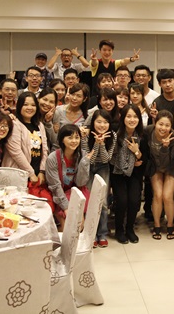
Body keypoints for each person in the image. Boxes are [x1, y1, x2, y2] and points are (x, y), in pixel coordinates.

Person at [110, 104, 148, 244]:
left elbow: (144, 159)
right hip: (117, 172)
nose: (132, 120)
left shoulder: (142, 135)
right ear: (123, 118)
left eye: (135, 117)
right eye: (129, 116)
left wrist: (136, 152)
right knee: (121, 200)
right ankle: (119, 230)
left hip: (135, 173)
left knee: (134, 201)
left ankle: (130, 229)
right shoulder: (115, 133)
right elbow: (110, 155)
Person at [45, 124, 90, 231]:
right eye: (70, 138)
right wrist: (66, 207)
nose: (74, 141)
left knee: (79, 226)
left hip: (75, 192)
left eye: (77, 137)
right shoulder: (53, 158)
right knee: (68, 226)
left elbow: (80, 183)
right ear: (62, 140)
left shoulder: (83, 155)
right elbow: (55, 186)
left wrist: (84, 163)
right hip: (58, 194)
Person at [83, 110, 116, 247]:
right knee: (90, 200)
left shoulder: (112, 135)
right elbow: (88, 160)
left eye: (105, 122)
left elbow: (106, 159)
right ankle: (91, 233)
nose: (102, 125)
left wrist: (101, 144)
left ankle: (102, 234)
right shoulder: (85, 134)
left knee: (102, 202)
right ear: (93, 122)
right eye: (99, 122)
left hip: (103, 167)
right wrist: (96, 143)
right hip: (88, 167)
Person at [145, 111, 174, 241]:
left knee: (167, 196)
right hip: (155, 167)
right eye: (161, 124)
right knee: (158, 195)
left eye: (167, 125)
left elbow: (168, 162)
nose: (163, 128)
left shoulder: (173, 137)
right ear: (155, 123)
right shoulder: (148, 131)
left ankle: (170, 225)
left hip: (170, 167)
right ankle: (157, 225)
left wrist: (165, 147)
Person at [2, 92, 48, 188]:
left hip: (37, 174)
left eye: (33, 105)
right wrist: (31, 173)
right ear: (19, 106)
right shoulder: (14, 124)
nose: (29, 108)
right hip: (18, 174)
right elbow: (16, 152)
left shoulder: (40, 125)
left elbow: (44, 149)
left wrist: (42, 171)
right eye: (25, 104)